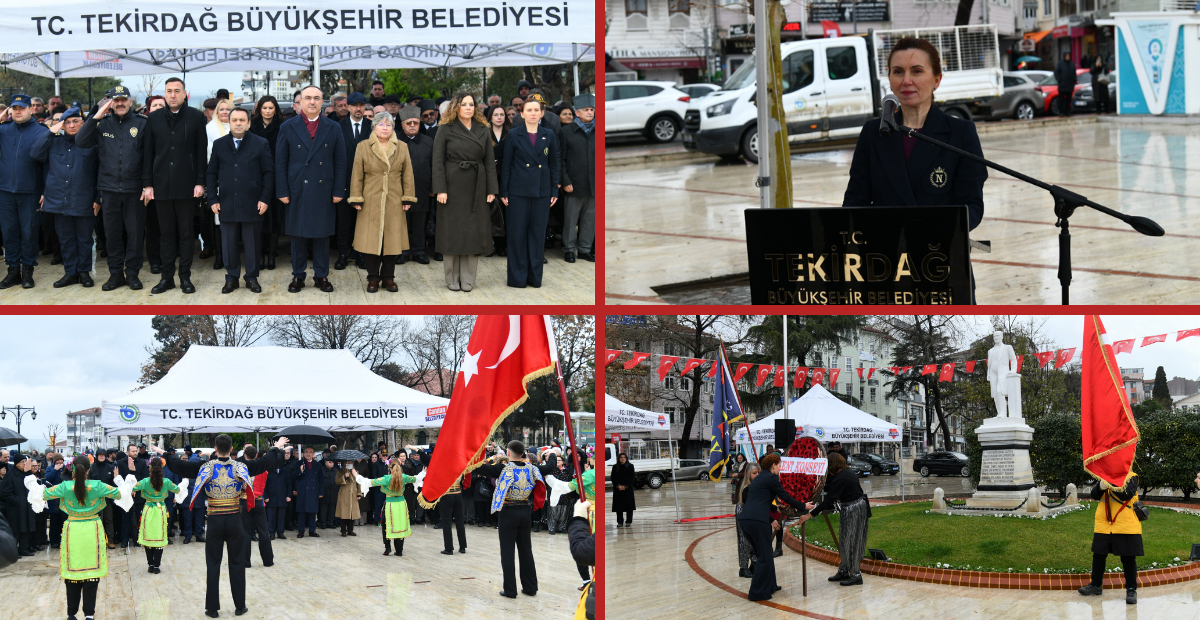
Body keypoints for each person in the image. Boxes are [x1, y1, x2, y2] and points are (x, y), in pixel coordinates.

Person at [842, 37, 986, 302]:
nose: (906, 81)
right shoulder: (873, 134)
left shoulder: (960, 133)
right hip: (885, 267)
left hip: (942, 265)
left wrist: (941, 230)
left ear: (937, 79)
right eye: (898, 72)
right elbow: (854, 203)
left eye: (917, 71)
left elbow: (972, 206)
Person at [152, 434, 286, 617]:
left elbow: (180, 466)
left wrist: (165, 454)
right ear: (231, 450)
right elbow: (265, 462)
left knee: (213, 564)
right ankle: (240, 606)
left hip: (214, 519)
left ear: (215, 449)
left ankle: (212, 608)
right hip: (234, 518)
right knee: (237, 563)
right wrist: (276, 447)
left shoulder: (205, 466)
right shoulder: (241, 466)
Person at [276, 85, 347, 294]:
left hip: (323, 189)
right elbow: (280, 162)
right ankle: (298, 275)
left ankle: (321, 275)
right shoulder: (287, 127)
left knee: (322, 235)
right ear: (300, 102)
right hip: (297, 188)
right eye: (308, 98)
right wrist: (282, 190)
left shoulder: (333, 127)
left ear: (323, 102)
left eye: (317, 98)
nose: (312, 102)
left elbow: (340, 161)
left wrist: (338, 190)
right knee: (297, 235)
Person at [142, 77, 210, 294]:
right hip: (160, 185)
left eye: (177, 91)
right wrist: (147, 184)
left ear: (184, 94)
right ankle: (167, 278)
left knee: (186, 233)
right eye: (169, 91)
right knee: (166, 234)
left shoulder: (196, 117)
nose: (173, 95)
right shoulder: (153, 118)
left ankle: (185, 278)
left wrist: (201, 181)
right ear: (164, 93)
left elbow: (201, 152)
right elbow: (148, 154)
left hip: (187, 186)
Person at [41, 456, 124, 620]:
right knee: (91, 573)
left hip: (73, 530)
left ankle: (71, 614)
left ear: (72, 469)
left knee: (73, 571)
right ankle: (89, 615)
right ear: (89, 469)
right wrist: (120, 480)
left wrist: (30, 478)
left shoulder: (65, 486)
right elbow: (120, 493)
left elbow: (42, 495)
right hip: (93, 529)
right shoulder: (97, 485)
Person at [432, 92, 497, 292]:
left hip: (477, 185)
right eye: (464, 104)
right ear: (456, 107)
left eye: (471, 104)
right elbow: (437, 161)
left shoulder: (484, 130)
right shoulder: (444, 129)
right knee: (451, 231)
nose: (468, 107)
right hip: (452, 185)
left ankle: (468, 278)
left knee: (472, 232)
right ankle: (451, 277)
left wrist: (492, 189)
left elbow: (489, 162)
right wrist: (440, 189)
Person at [29, 106, 100, 288]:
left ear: (82, 123)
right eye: (67, 122)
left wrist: (98, 198)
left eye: (75, 121)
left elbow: (101, 172)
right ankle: (70, 273)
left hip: (83, 199)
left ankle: (84, 272)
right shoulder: (54, 142)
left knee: (84, 239)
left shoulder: (92, 143)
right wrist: (51, 131)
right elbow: (35, 154)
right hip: (60, 200)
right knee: (66, 239)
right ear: (62, 125)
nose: (71, 125)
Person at [206, 107, 274, 294]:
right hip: (226, 203)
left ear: (248, 123)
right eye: (234, 120)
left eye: (242, 120)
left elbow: (268, 173)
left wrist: (264, 198)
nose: (238, 123)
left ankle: (251, 278)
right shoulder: (219, 144)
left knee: (252, 244)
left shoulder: (260, 143)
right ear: (230, 122)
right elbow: (211, 173)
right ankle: (231, 278)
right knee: (228, 244)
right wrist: (213, 198)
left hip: (253, 203)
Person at [347, 113, 416, 293]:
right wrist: (356, 197)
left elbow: (407, 174)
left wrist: (408, 197)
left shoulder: (402, 147)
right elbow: (357, 174)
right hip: (370, 199)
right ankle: (372, 278)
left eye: (388, 125)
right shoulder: (363, 146)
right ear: (374, 127)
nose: (385, 128)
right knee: (371, 241)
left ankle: (388, 278)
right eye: (381, 124)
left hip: (394, 199)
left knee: (391, 241)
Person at [472, 440, 545, 598]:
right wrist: (552, 456)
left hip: (508, 512)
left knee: (507, 552)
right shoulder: (532, 468)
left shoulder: (504, 468)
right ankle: (530, 587)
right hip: (525, 511)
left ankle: (511, 590)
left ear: (509, 453)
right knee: (526, 551)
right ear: (523, 453)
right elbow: (549, 468)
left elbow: (480, 468)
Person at [500, 92, 559, 288]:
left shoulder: (548, 134)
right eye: (529, 110)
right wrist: (504, 191)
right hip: (517, 193)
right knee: (517, 236)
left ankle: (535, 278)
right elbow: (506, 165)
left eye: (536, 110)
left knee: (537, 236)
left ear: (542, 113)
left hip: (541, 192)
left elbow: (553, 165)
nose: (533, 113)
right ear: (522, 114)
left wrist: (554, 191)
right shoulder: (514, 134)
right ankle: (517, 278)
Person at [739, 452, 809, 601]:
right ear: (773, 466)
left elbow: (760, 499)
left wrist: (774, 509)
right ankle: (757, 593)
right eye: (779, 466)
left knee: (764, 554)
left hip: (745, 520)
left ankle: (771, 585)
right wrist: (803, 505)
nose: (780, 468)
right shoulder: (771, 477)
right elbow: (785, 496)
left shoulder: (759, 479)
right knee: (765, 556)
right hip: (758, 521)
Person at [0, 94, 51, 289]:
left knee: (29, 233)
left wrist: (45, 190)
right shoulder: (3, 130)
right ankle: (13, 271)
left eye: (22, 108)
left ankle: (27, 272)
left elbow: (48, 164)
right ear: (10, 110)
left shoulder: (41, 132)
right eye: (15, 108)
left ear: (31, 109)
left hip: (30, 191)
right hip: (5, 190)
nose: (18, 112)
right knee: (9, 232)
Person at [806, 452, 871, 586]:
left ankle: (855, 575)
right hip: (854, 507)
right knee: (845, 540)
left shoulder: (842, 477)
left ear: (833, 465)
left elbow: (829, 500)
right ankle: (844, 570)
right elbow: (831, 486)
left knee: (852, 542)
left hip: (855, 509)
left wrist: (811, 514)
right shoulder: (846, 473)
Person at [1078, 470, 1142, 604]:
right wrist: (1101, 485)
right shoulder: (1105, 476)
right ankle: (1096, 585)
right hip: (1105, 524)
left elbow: (1126, 495)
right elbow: (1094, 495)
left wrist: (1111, 484)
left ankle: (1131, 589)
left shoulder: (1132, 477)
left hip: (1125, 524)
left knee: (1128, 558)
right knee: (1098, 555)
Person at [336, 92, 373, 271]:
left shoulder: (372, 126)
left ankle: (361, 255)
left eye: (361, 105)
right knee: (343, 222)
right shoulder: (338, 127)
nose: (358, 108)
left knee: (363, 222)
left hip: (367, 183)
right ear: (348, 107)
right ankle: (343, 254)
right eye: (354, 105)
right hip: (344, 182)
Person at [249, 95, 284, 271]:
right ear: (259, 109)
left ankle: (271, 254)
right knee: (259, 215)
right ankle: (260, 253)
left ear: (275, 109)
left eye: (271, 108)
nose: (268, 111)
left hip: (277, 176)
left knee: (275, 216)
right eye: (265, 108)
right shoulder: (252, 126)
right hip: (257, 176)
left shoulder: (282, 126)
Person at [560, 93, 595, 263]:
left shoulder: (598, 130)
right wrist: (565, 180)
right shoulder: (566, 132)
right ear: (577, 112)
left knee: (589, 219)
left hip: (593, 184)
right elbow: (560, 159)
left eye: (591, 109)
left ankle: (585, 249)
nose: (589, 112)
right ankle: (568, 249)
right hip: (573, 184)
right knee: (570, 219)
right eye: (586, 110)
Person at [132, 457, 178, 573]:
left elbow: (133, 487)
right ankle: (157, 566)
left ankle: (150, 565)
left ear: (150, 468)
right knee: (159, 537)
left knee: (148, 536)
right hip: (160, 510)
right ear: (162, 468)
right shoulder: (166, 481)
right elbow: (177, 489)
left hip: (148, 509)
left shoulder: (145, 481)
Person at [237, 445, 273, 568]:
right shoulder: (263, 469)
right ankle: (268, 561)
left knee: (245, 532)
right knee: (263, 531)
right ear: (256, 455)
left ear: (245, 455)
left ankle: (245, 562)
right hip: (258, 501)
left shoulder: (241, 469)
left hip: (245, 501)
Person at [483, 104, 511, 258]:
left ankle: (502, 246)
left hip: (507, 177)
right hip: (490, 177)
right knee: (491, 211)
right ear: (490, 117)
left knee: (505, 212)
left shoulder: (511, 133)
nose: (499, 117)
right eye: (496, 115)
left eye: (501, 114)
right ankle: (490, 245)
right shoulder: (485, 133)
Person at [0, 453, 37, 556]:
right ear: (16, 463)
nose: (24, 464)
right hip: (16, 508)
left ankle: (23, 548)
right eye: (22, 462)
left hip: (26, 507)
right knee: (16, 530)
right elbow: (5, 493)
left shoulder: (25, 474)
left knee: (26, 528)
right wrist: (17, 500)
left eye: (25, 462)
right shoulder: (10, 475)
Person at [115, 443, 149, 549]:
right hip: (126, 496)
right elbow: (119, 477)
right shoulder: (120, 463)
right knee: (125, 519)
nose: (135, 453)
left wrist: (135, 488)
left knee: (138, 519)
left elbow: (144, 478)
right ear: (127, 452)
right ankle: (125, 540)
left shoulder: (142, 463)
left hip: (138, 496)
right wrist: (129, 489)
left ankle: (137, 539)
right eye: (133, 451)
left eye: (136, 451)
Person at [733, 462, 761, 578]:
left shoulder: (757, 486)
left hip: (754, 515)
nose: (757, 475)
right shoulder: (746, 489)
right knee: (744, 540)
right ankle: (743, 567)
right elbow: (753, 503)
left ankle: (754, 564)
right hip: (744, 514)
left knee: (755, 540)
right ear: (748, 474)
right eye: (754, 473)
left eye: (759, 473)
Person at [87, 450, 118, 547]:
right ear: (97, 456)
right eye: (99, 455)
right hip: (94, 499)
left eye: (103, 455)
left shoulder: (110, 467)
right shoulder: (92, 468)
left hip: (107, 499)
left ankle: (110, 540)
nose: (101, 457)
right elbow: (88, 482)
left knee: (109, 519)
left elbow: (114, 484)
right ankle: (95, 540)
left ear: (105, 457)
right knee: (94, 519)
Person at [292, 446, 323, 537]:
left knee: (312, 512)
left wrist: (321, 492)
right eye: (306, 452)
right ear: (303, 453)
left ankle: (312, 530)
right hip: (302, 491)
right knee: (301, 512)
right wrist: (300, 471)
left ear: (313, 454)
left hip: (313, 491)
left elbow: (320, 479)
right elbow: (293, 476)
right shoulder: (299, 464)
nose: (308, 454)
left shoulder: (318, 465)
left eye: (310, 452)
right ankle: (301, 531)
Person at [263, 446, 293, 540]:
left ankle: (280, 532)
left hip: (282, 498)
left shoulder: (285, 472)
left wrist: (289, 495)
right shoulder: (268, 472)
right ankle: (271, 532)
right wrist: (266, 496)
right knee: (271, 517)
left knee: (281, 517)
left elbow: (289, 484)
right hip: (271, 498)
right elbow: (264, 485)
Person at [335, 461, 362, 536]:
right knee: (344, 513)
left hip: (353, 494)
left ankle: (350, 530)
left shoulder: (355, 472)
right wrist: (344, 476)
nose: (349, 464)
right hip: (344, 495)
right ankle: (343, 530)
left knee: (352, 513)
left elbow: (358, 483)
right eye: (348, 463)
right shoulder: (340, 471)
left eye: (351, 463)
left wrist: (359, 493)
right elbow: (337, 481)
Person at [610, 452, 636, 528]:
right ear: (619, 459)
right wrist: (618, 486)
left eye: (624, 457)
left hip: (628, 489)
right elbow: (613, 477)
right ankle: (620, 521)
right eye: (621, 457)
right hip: (618, 490)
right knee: (619, 506)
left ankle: (628, 521)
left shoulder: (630, 466)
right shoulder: (615, 467)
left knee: (629, 506)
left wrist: (626, 486)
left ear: (626, 458)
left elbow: (632, 477)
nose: (622, 459)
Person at [319, 456, 340, 529]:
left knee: (332, 509)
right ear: (325, 463)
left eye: (332, 462)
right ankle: (323, 523)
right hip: (324, 493)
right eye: (330, 462)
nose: (331, 464)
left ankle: (330, 522)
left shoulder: (336, 471)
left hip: (334, 493)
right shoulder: (321, 470)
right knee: (323, 510)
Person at [1055, 52, 1077, 116]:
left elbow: (1074, 73)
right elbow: (1056, 72)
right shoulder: (1060, 64)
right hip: (1062, 85)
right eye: (1066, 56)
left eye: (1068, 56)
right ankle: (1061, 111)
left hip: (1069, 85)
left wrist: (1074, 81)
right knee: (1061, 99)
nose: (1067, 57)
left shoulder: (1071, 64)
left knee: (1068, 99)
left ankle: (1067, 111)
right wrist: (1060, 80)